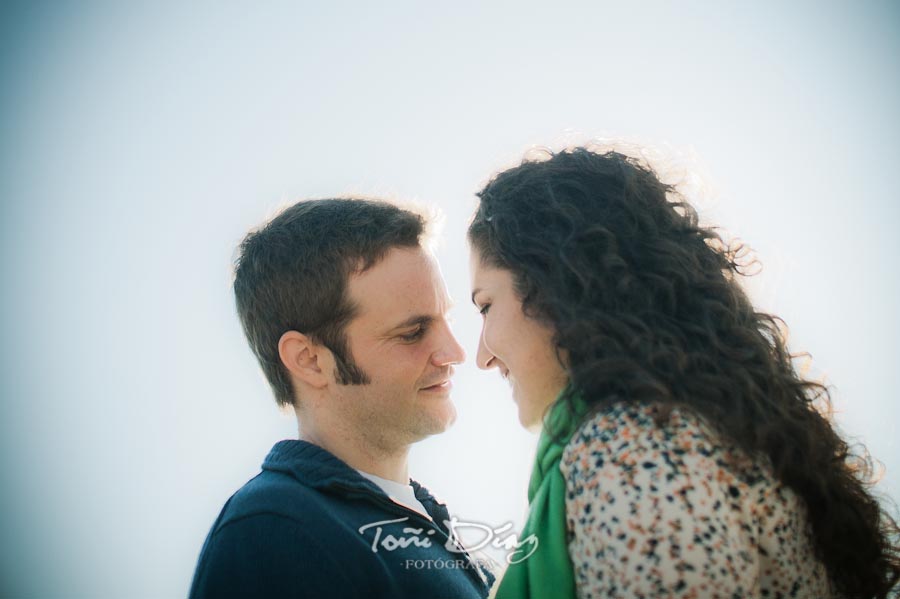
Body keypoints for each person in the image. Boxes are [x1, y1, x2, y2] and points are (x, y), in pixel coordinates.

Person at [467, 147, 900, 599]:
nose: (482, 357)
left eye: (486, 306)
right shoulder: (704, 434)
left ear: (555, 286)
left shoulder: (631, 452)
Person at [190, 198, 495, 598]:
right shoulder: (273, 530)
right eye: (412, 332)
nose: (455, 352)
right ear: (309, 360)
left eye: (446, 319)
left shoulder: (430, 527)